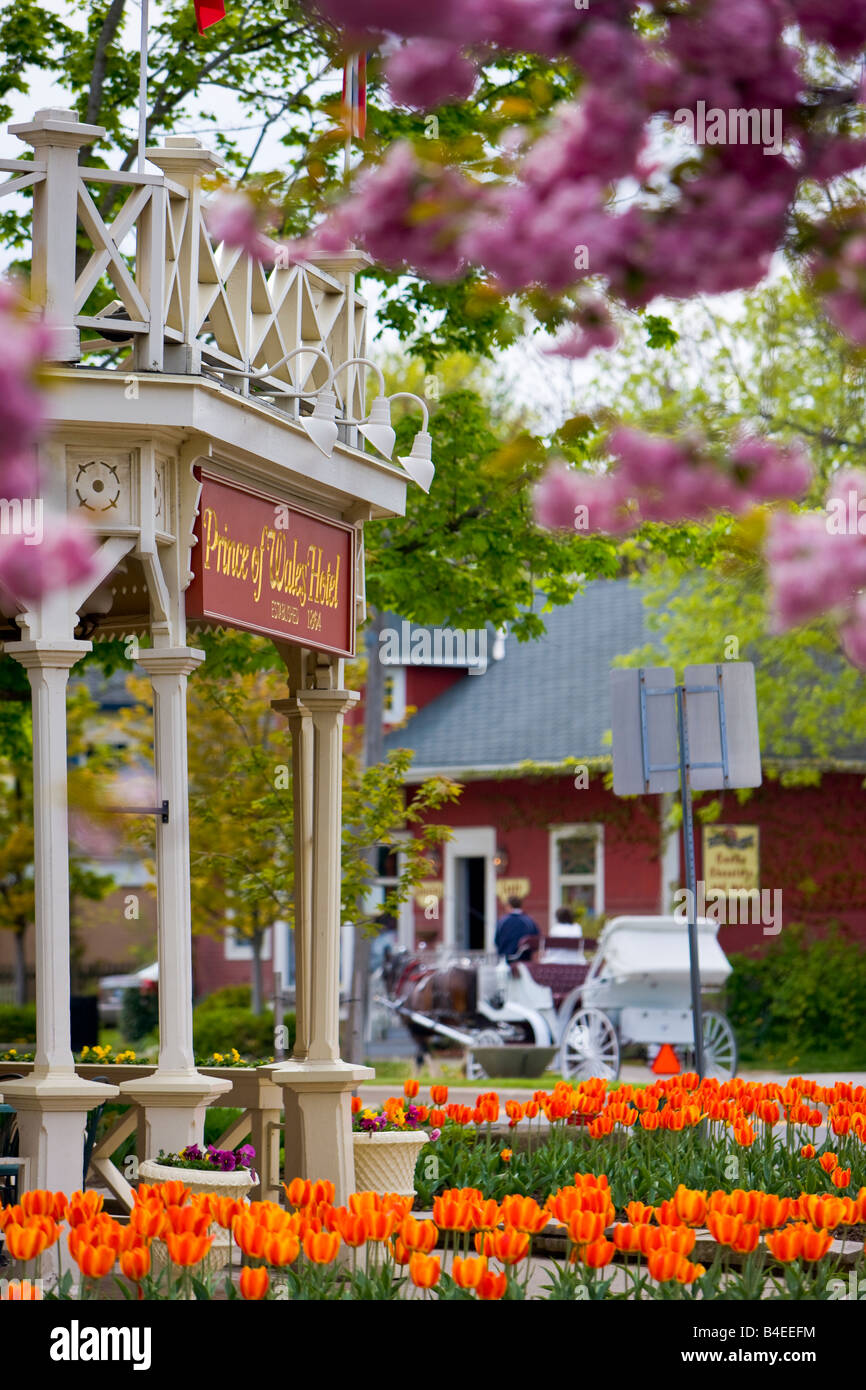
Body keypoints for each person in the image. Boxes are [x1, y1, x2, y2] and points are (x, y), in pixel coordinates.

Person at [494, 895, 540, 962]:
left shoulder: (503, 921)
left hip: (506, 959)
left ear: (508, 906)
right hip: (525, 960)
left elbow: (496, 941)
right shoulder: (529, 921)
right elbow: (536, 939)